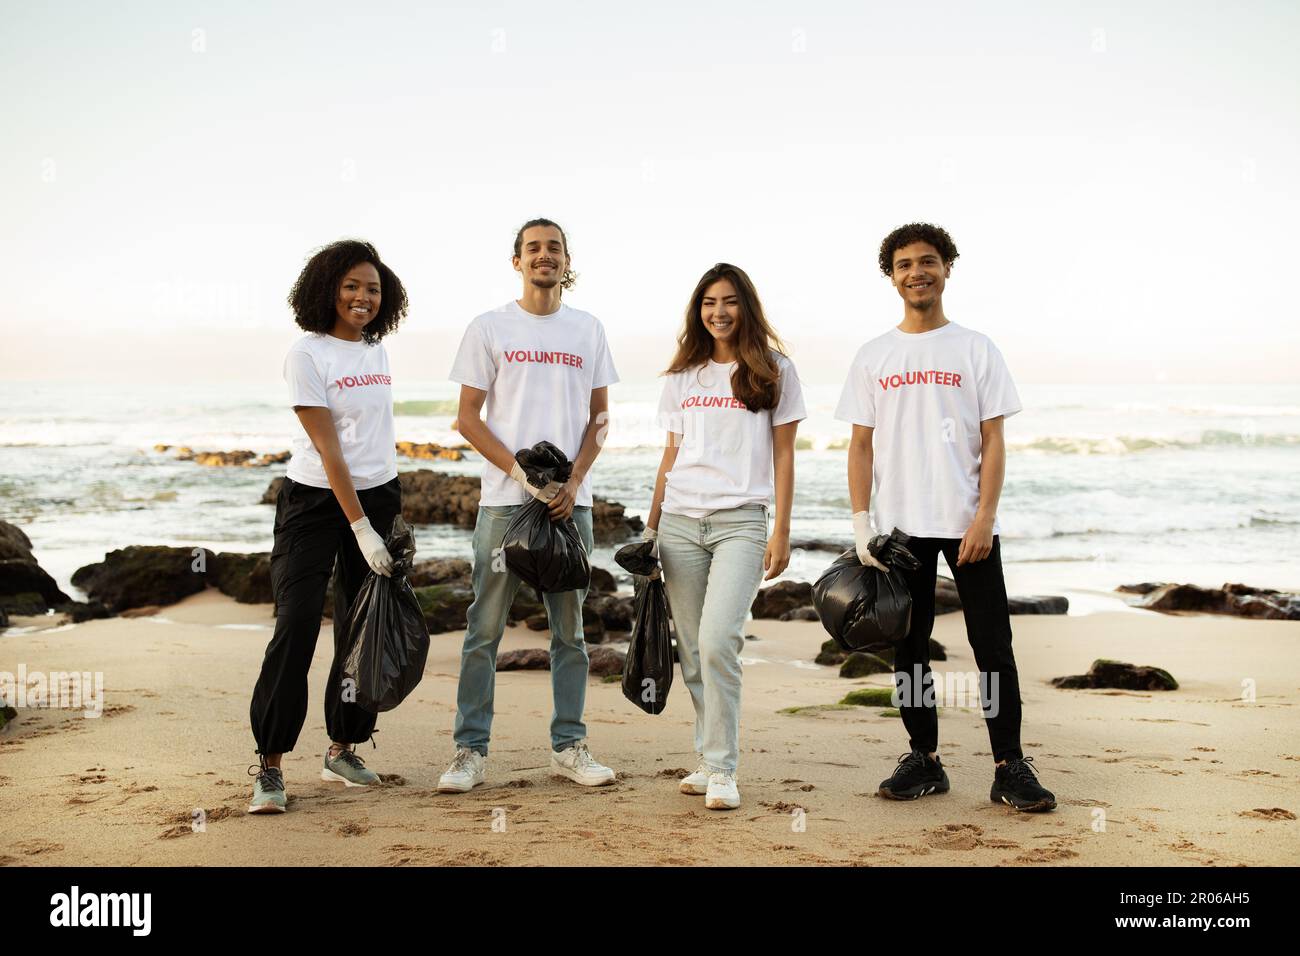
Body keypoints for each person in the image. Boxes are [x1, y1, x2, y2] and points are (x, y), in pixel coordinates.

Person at [835, 222, 1056, 812]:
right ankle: (924, 759)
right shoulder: (874, 354)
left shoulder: (975, 347)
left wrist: (984, 517)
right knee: (910, 650)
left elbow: (993, 439)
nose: (917, 272)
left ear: (946, 267)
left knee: (993, 647)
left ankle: (1010, 765)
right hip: (901, 531)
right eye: (904, 264)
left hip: (967, 527)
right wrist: (862, 527)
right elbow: (860, 446)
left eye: (927, 261)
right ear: (891, 275)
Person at [438, 218, 619, 793]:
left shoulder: (588, 330)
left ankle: (569, 746)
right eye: (533, 248)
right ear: (516, 261)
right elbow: (467, 419)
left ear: (567, 262)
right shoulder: (489, 326)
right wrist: (524, 476)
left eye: (554, 248)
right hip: (503, 507)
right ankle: (469, 751)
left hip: (571, 509)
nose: (545, 256)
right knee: (483, 630)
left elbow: (601, 420)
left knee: (570, 631)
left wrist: (574, 481)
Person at [247, 239, 408, 814]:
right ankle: (269, 764)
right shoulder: (307, 354)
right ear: (326, 290)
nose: (363, 298)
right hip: (316, 501)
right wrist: (360, 528)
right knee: (295, 625)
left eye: (372, 288)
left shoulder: (377, 349)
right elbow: (329, 448)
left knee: (362, 628)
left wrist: (386, 516)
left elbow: (375, 437)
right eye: (351, 287)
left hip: (380, 496)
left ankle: (343, 747)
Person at [644, 263, 805, 810]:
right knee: (690, 650)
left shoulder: (775, 370)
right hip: (680, 524)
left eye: (730, 301)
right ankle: (709, 757)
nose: (719, 311)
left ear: (746, 307)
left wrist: (781, 529)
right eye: (710, 302)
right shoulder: (682, 376)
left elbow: (784, 453)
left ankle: (723, 770)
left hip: (741, 520)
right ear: (698, 310)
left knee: (718, 641)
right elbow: (671, 453)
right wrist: (650, 523)